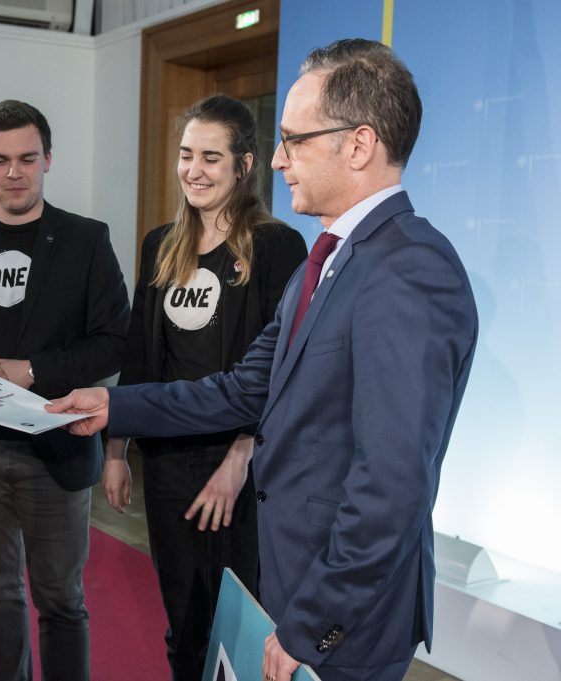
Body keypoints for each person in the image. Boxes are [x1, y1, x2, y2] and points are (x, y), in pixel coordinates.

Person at [48, 39, 478, 681]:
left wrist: (312, 623)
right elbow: (243, 388)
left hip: (341, 620)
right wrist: (114, 405)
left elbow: (391, 486)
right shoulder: (329, 260)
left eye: (293, 140)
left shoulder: (410, 271)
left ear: (359, 145)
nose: (276, 160)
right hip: (294, 581)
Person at [0, 99, 130, 681]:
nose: (14, 172)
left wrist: (31, 370)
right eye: (0, 160)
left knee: (61, 598)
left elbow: (114, 340)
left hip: (56, 442)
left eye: (27, 159)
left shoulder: (86, 240)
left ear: (48, 160)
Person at [102, 94, 305, 680]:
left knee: (242, 620)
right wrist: (116, 450)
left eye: (211, 158)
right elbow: (141, 357)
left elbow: (279, 373)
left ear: (245, 165)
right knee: (184, 618)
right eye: (187, 154)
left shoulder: (276, 246)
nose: (193, 170)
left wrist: (239, 459)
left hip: (243, 466)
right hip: (169, 461)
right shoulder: (159, 244)